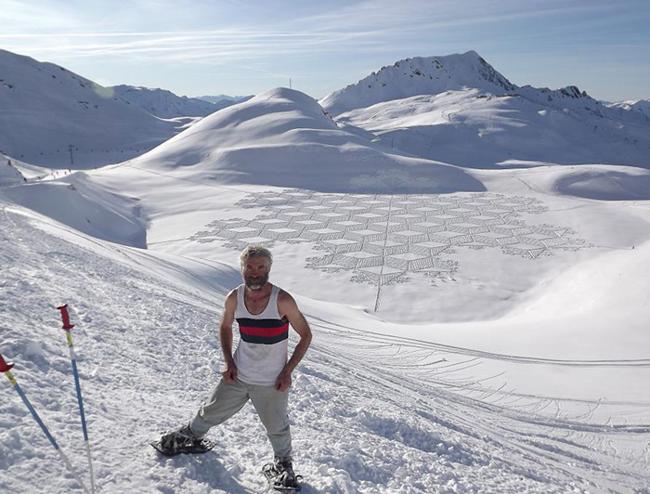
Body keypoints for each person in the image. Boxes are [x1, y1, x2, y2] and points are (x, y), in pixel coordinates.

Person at [158, 245, 312, 487]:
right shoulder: (234, 297)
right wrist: (229, 361)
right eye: (249, 267)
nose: (255, 272)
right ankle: (190, 437)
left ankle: (283, 465)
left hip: (271, 381)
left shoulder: (282, 300)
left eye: (261, 267)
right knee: (212, 409)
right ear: (242, 268)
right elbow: (225, 326)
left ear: (268, 269)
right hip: (239, 373)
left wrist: (287, 371)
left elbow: (305, 335)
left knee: (277, 427)